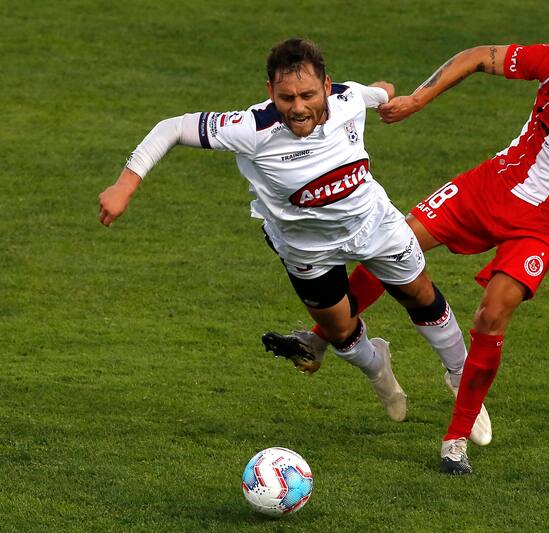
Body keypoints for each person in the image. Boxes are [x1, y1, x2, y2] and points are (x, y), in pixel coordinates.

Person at [264, 18, 549, 475]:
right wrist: (420, 99)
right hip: (492, 184)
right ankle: (322, 338)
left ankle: (455, 437)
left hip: (546, 223)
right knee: (394, 243)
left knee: (492, 311)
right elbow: (479, 56)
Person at [97, 38, 491, 443]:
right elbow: (173, 128)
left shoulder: (349, 99)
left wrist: (386, 95)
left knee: (420, 296)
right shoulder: (251, 128)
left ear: (327, 86)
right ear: (270, 91)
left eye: (308, 94)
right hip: (307, 250)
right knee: (340, 333)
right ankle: (379, 370)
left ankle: (463, 381)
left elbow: (380, 91)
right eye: (286, 97)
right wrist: (124, 185)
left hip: (375, 225)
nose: (298, 107)